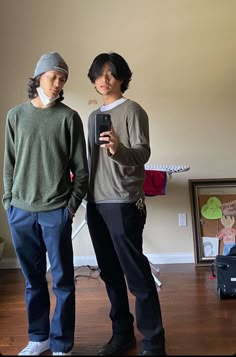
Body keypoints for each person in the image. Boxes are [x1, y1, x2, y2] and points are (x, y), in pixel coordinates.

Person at [2, 52, 88, 356]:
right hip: (21, 211)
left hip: (56, 211)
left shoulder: (69, 118)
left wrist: (70, 208)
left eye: (62, 79)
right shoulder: (15, 116)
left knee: (63, 280)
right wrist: (8, 202)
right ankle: (39, 338)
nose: (58, 83)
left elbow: (82, 170)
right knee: (32, 280)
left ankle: (62, 342)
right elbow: (9, 165)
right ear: (38, 77)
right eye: (53, 77)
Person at [86, 52, 166, 356]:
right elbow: (93, 162)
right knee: (109, 272)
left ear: (121, 77)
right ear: (93, 81)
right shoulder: (93, 117)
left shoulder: (134, 111)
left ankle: (154, 344)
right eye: (99, 74)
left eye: (111, 73)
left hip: (123, 202)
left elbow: (142, 155)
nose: (105, 80)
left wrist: (118, 149)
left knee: (136, 273)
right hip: (96, 203)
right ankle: (122, 335)